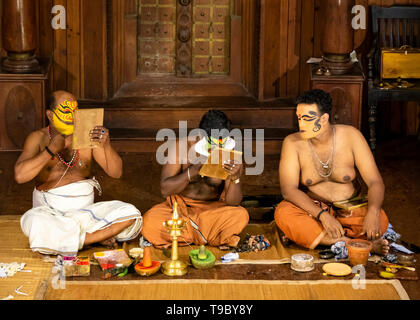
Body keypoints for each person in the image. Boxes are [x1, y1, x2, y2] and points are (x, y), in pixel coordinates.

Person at [15, 90, 142, 256]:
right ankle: (94, 238)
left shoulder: (87, 135)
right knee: (34, 222)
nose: (73, 116)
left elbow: (116, 172)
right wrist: (51, 149)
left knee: (130, 213)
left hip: (86, 216)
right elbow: (20, 176)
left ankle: (75, 240)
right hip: (51, 214)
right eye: (66, 111)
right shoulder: (38, 138)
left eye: (75, 111)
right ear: (50, 115)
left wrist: (106, 145)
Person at [275, 89, 389, 255]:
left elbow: (375, 182)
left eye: (307, 119)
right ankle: (355, 244)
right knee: (283, 213)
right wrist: (323, 215)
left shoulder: (351, 136)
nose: (301, 125)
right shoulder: (292, 143)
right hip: (314, 210)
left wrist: (373, 212)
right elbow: (288, 190)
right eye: (299, 118)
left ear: (324, 118)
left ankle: (324, 239)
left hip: (350, 208)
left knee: (381, 219)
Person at [141, 110, 249, 249]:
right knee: (150, 221)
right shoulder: (181, 147)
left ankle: (186, 236)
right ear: (200, 135)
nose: (215, 148)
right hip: (179, 210)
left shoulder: (230, 152)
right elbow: (165, 190)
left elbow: (233, 202)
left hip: (211, 211)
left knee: (240, 215)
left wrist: (235, 178)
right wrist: (191, 172)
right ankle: (210, 237)